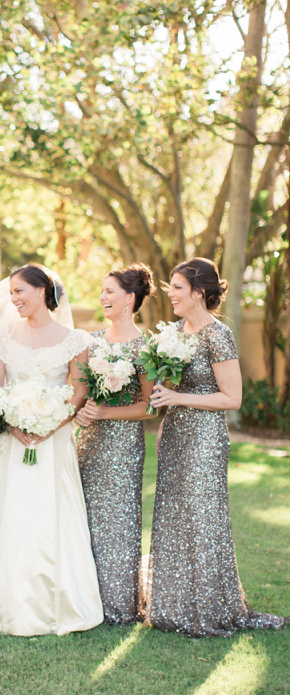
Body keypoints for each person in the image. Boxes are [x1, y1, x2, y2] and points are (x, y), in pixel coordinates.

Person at [146, 258, 287, 636]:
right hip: (175, 434)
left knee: (203, 520)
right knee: (174, 516)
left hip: (205, 439)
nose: (171, 294)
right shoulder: (176, 331)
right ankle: (172, 607)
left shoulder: (217, 334)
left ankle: (208, 608)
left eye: (177, 287)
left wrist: (179, 397)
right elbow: (169, 390)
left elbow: (232, 398)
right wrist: (164, 424)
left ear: (199, 292)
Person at [0, 264, 103, 636]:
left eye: (20, 291)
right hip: (13, 442)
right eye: (12, 292)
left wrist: (49, 426)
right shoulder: (2, 336)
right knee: (13, 517)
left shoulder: (75, 339)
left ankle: (60, 607)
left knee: (52, 517)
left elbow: (77, 391)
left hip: (54, 443)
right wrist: (14, 424)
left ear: (41, 291)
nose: (13, 299)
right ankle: (9, 607)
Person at [76, 264, 155, 624]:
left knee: (121, 519)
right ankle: (85, 599)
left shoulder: (147, 346)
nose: (103, 297)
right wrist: (79, 412)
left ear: (130, 298)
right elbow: (75, 393)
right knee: (85, 516)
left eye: (110, 291)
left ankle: (119, 605)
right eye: (102, 291)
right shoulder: (90, 341)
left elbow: (150, 405)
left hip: (123, 444)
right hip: (89, 442)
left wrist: (105, 413)